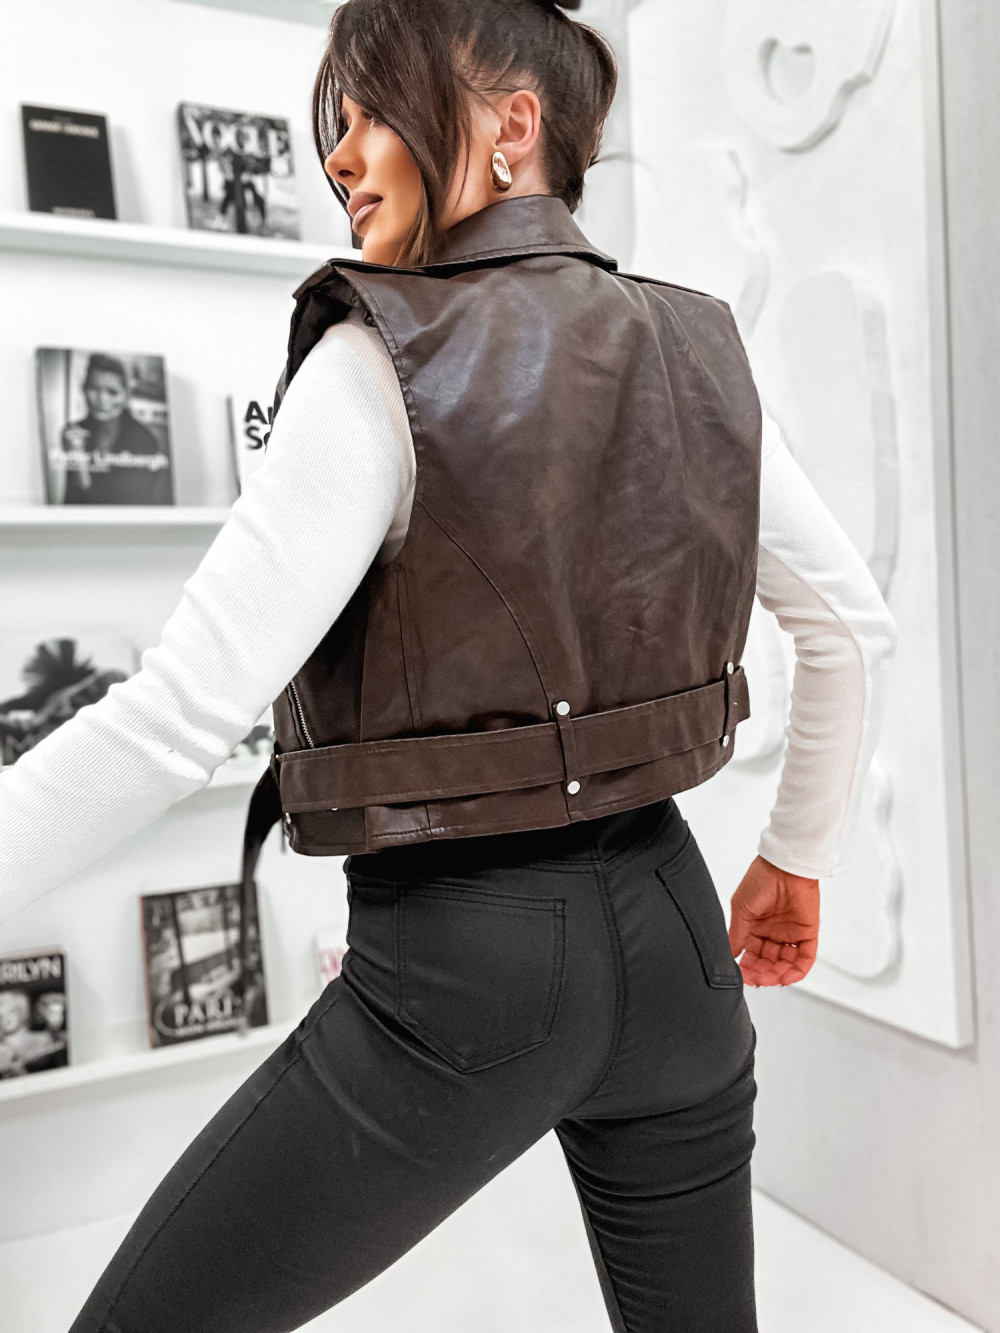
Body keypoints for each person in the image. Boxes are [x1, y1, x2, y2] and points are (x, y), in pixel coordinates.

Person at [0, 0, 896, 1329]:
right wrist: (796, 854)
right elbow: (850, 627)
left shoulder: (375, 360)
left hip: (464, 975)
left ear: (511, 125)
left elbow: (175, 718)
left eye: (371, 111)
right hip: (678, 939)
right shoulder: (703, 350)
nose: (340, 154)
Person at [59, 353, 173, 505]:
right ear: (84, 389)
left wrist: (81, 468)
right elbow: (70, 499)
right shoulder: (74, 432)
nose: (102, 399)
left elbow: (133, 505)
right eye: (94, 388)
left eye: (112, 392)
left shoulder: (145, 439)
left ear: (126, 395)